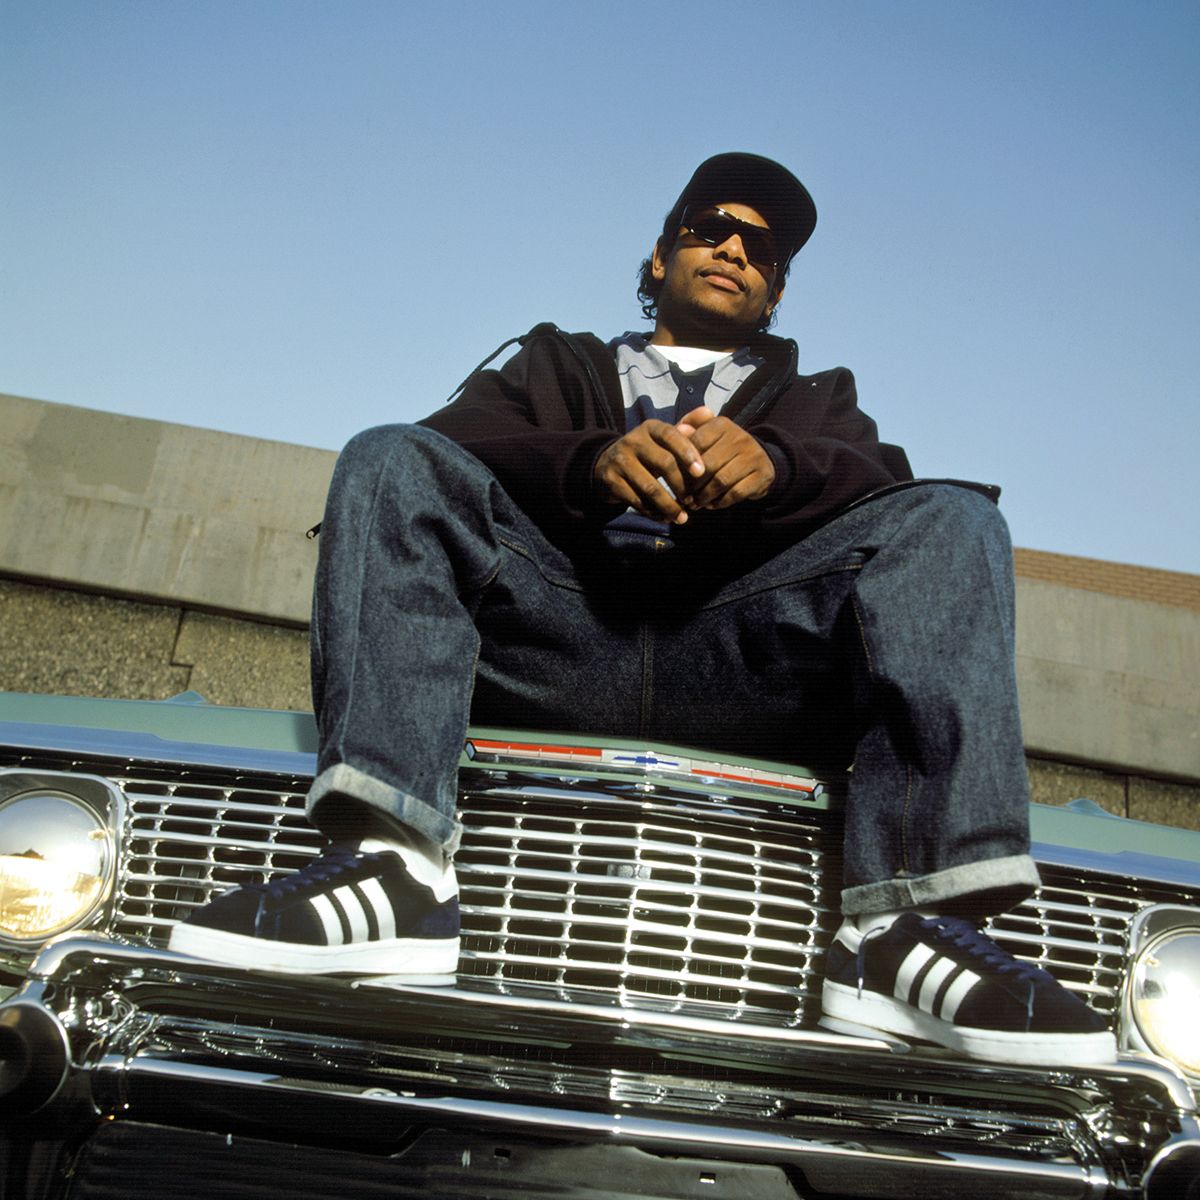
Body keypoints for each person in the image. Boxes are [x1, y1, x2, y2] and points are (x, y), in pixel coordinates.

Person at [170, 153, 1115, 1066]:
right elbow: (450, 444)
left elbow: (881, 481)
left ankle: (905, 928)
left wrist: (779, 468)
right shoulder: (555, 362)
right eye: (713, 229)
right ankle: (395, 867)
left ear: (775, 293)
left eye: (763, 249)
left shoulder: (820, 401)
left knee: (956, 516)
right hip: (557, 633)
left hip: (739, 652)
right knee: (387, 456)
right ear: (660, 257)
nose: (736, 249)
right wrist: (589, 462)